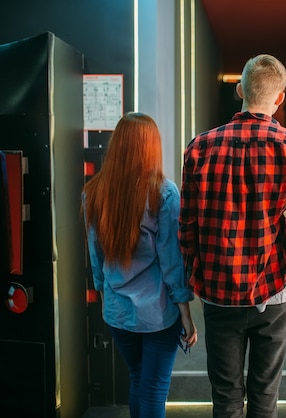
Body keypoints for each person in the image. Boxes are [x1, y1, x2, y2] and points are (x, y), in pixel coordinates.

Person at [178, 54, 286, 418]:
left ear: (240, 89)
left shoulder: (199, 147)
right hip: (275, 291)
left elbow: (187, 225)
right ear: (280, 98)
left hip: (219, 291)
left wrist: (196, 274)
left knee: (225, 399)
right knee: (264, 396)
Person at [82, 112, 198, 418]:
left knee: (138, 380)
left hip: (117, 311)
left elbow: (95, 255)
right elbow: (172, 261)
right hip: (157, 312)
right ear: (151, 148)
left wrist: (103, 292)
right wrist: (185, 312)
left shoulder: (93, 192)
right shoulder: (163, 193)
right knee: (154, 389)